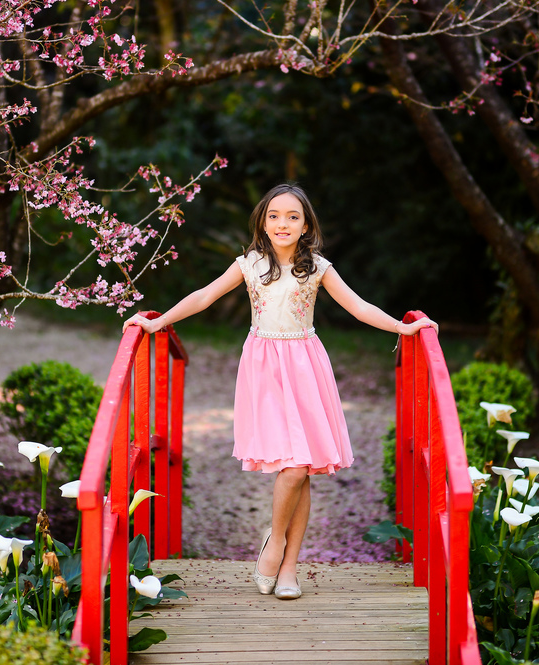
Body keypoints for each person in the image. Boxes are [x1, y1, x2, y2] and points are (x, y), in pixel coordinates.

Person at [123, 184, 437, 600]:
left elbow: (359, 307)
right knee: (293, 466)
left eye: (292, 216)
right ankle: (278, 549)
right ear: (263, 222)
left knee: (301, 467)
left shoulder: (319, 268)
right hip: (265, 366)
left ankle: (284, 562)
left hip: (305, 366)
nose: (283, 223)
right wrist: (156, 322)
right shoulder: (249, 264)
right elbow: (205, 296)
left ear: (306, 225)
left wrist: (404, 327)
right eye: (274, 215)